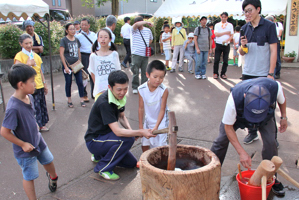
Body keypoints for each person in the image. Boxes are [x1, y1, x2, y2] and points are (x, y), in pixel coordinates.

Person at [211, 77, 287, 197]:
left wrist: (284, 117)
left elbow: (282, 100)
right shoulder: (235, 97)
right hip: (239, 117)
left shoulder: (274, 87)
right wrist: (241, 152)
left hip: (265, 118)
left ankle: (271, 179)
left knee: (270, 143)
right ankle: (209, 174)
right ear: (245, 96)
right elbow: (228, 127)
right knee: (221, 141)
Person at [0, 64, 58, 199]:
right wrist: (23, 144)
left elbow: (30, 116)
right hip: (25, 150)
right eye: (32, 81)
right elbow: (4, 132)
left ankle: (53, 178)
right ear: (21, 84)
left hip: (38, 140)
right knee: (29, 176)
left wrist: (36, 126)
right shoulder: (13, 108)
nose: (35, 84)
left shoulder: (29, 97)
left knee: (48, 160)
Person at [84, 70, 155, 180]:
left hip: (106, 138)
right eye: (119, 89)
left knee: (131, 163)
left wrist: (131, 130)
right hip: (94, 141)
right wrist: (140, 132)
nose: (123, 92)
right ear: (110, 87)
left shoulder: (118, 97)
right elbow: (117, 131)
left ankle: (99, 156)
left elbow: (121, 116)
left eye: (125, 88)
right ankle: (103, 168)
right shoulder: (104, 103)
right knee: (127, 139)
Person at [239, 0, 278, 144]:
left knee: (268, 105)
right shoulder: (244, 28)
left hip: (263, 73)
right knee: (248, 103)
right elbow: (241, 53)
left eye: (249, 10)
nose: (247, 14)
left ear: (258, 9)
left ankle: (272, 137)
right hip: (248, 72)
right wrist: (242, 46)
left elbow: (274, 50)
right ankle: (252, 132)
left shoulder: (269, 26)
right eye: (245, 11)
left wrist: (270, 73)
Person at [14, 34, 49, 132]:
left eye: (30, 43)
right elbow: (16, 71)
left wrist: (44, 83)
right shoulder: (19, 56)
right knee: (33, 107)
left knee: (41, 105)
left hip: (39, 84)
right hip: (28, 86)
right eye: (26, 43)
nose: (29, 45)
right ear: (21, 44)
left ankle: (42, 124)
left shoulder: (36, 55)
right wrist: (28, 64)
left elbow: (40, 71)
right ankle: (34, 126)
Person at [138, 60, 169, 152]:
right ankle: (145, 160)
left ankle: (160, 164)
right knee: (144, 142)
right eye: (155, 76)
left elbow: (162, 110)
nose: (158, 80)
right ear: (147, 75)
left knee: (160, 146)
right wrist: (140, 127)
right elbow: (141, 108)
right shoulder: (141, 89)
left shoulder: (164, 90)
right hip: (148, 120)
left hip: (161, 121)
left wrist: (156, 126)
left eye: (161, 77)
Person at [88, 28, 121, 101]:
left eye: (106, 37)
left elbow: (118, 72)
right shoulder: (93, 56)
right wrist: (98, 85)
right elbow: (92, 73)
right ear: (98, 39)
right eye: (101, 37)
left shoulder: (114, 54)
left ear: (110, 39)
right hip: (99, 90)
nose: (103, 39)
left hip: (113, 90)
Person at [59, 23, 85, 108]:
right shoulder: (64, 40)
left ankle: (82, 99)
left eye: (74, 29)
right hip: (68, 65)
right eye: (71, 29)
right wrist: (65, 66)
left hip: (76, 64)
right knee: (68, 82)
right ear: (66, 30)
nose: (73, 31)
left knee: (80, 82)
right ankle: (69, 100)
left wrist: (80, 62)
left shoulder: (76, 39)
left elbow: (78, 52)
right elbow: (61, 54)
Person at [130, 16, 153, 94]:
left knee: (144, 71)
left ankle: (143, 86)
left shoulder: (148, 30)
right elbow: (136, 25)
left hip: (145, 54)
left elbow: (151, 39)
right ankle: (135, 86)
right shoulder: (133, 30)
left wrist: (146, 45)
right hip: (136, 54)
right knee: (135, 71)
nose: (139, 25)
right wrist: (147, 22)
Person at [76, 18, 97, 102]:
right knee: (84, 76)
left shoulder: (94, 34)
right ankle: (84, 94)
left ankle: (94, 93)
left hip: (93, 55)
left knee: (93, 74)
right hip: (83, 56)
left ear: (89, 25)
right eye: (82, 24)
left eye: (85, 24)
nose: (83, 26)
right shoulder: (78, 36)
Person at [213, 12, 234, 79]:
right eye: (222, 17)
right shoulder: (217, 25)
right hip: (218, 44)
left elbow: (232, 35)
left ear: (227, 17)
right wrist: (226, 32)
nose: (223, 18)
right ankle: (215, 73)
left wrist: (228, 39)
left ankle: (223, 73)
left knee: (225, 60)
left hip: (226, 44)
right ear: (220, 17)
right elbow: (216, 34)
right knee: (216, 59)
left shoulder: (230, 25)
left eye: (225, 17)